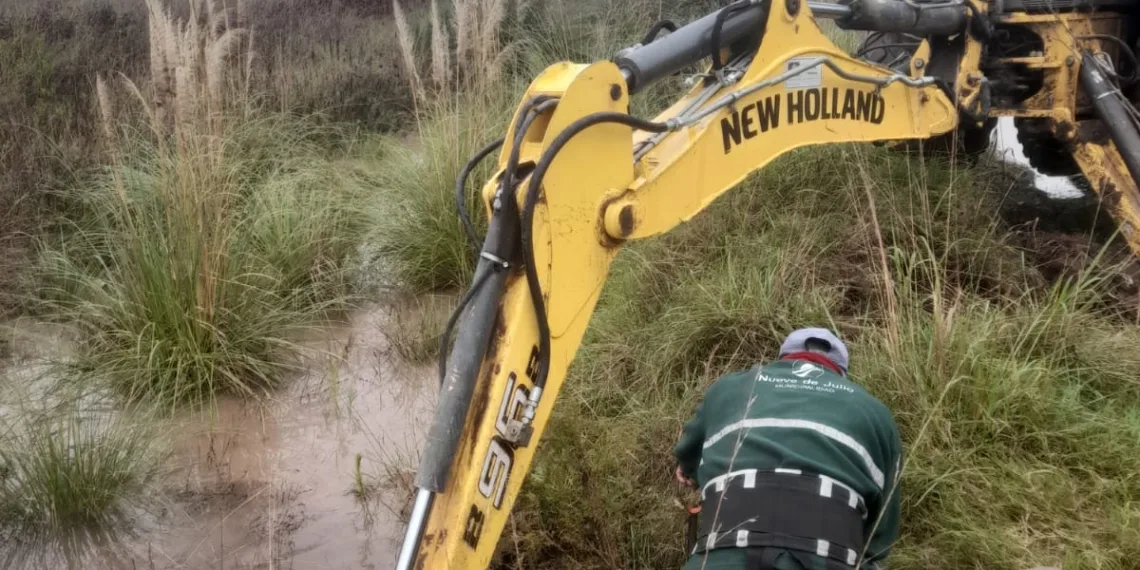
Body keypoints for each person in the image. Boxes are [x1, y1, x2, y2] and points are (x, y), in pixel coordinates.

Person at [673, 327, 902, 570]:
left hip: (723, 555)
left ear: (783, 359)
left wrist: (689, 471)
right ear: (840, 373)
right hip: (831, 556)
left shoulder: (730, 388)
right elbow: (879, 538)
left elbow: (688, 453)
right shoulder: (875, 412)